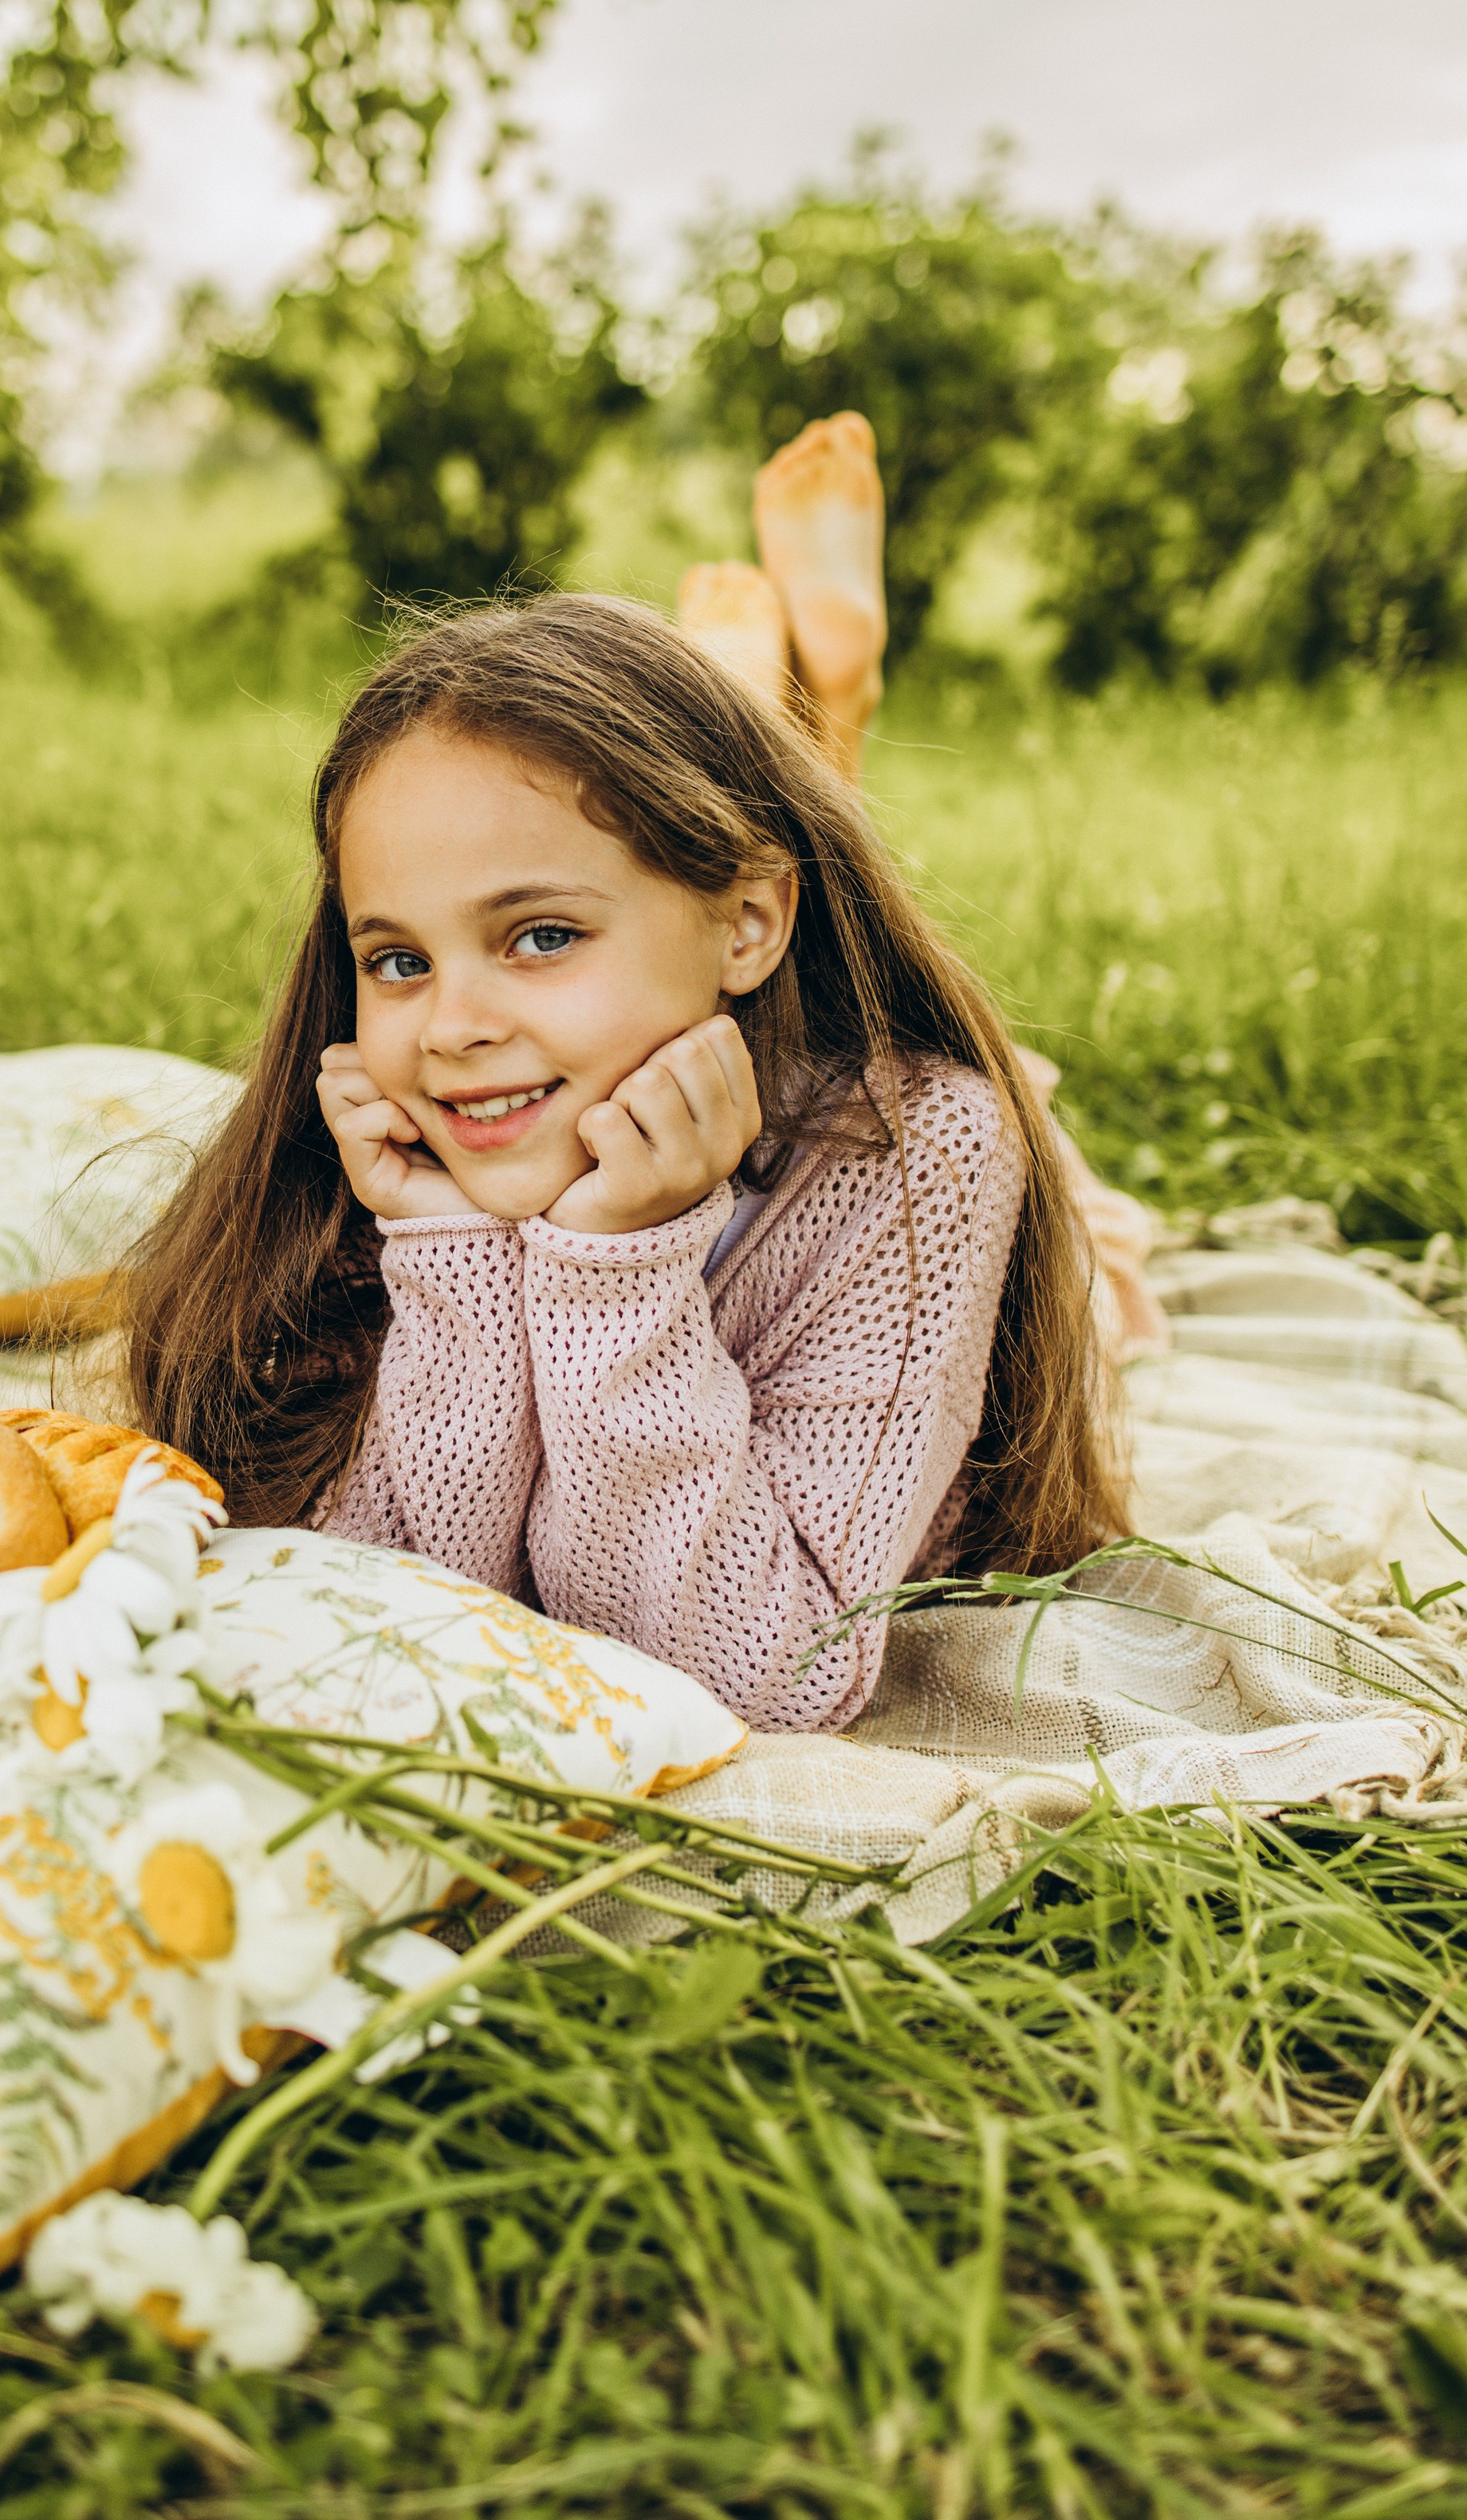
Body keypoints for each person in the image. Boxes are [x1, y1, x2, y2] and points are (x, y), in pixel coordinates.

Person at [121, 584, 1126, 1731]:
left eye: (540, 937)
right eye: (399, 960)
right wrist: (453, 1246)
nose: (451, 1028)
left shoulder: (922, 1152)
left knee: (1117, 1267)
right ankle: (777, 685)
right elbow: (403, 1611)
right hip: (620, 1107)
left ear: (748, 924)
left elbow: (751, 1678)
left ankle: (815, 698)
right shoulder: (391, 1147)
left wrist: (622, 1265)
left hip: (876, 1175)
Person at [677, 411, 1170, 1356]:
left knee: (736, 976)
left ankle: (787, 762)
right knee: (1014, 1208)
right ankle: (817, 757)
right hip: (875, 1113)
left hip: (785, 1118)